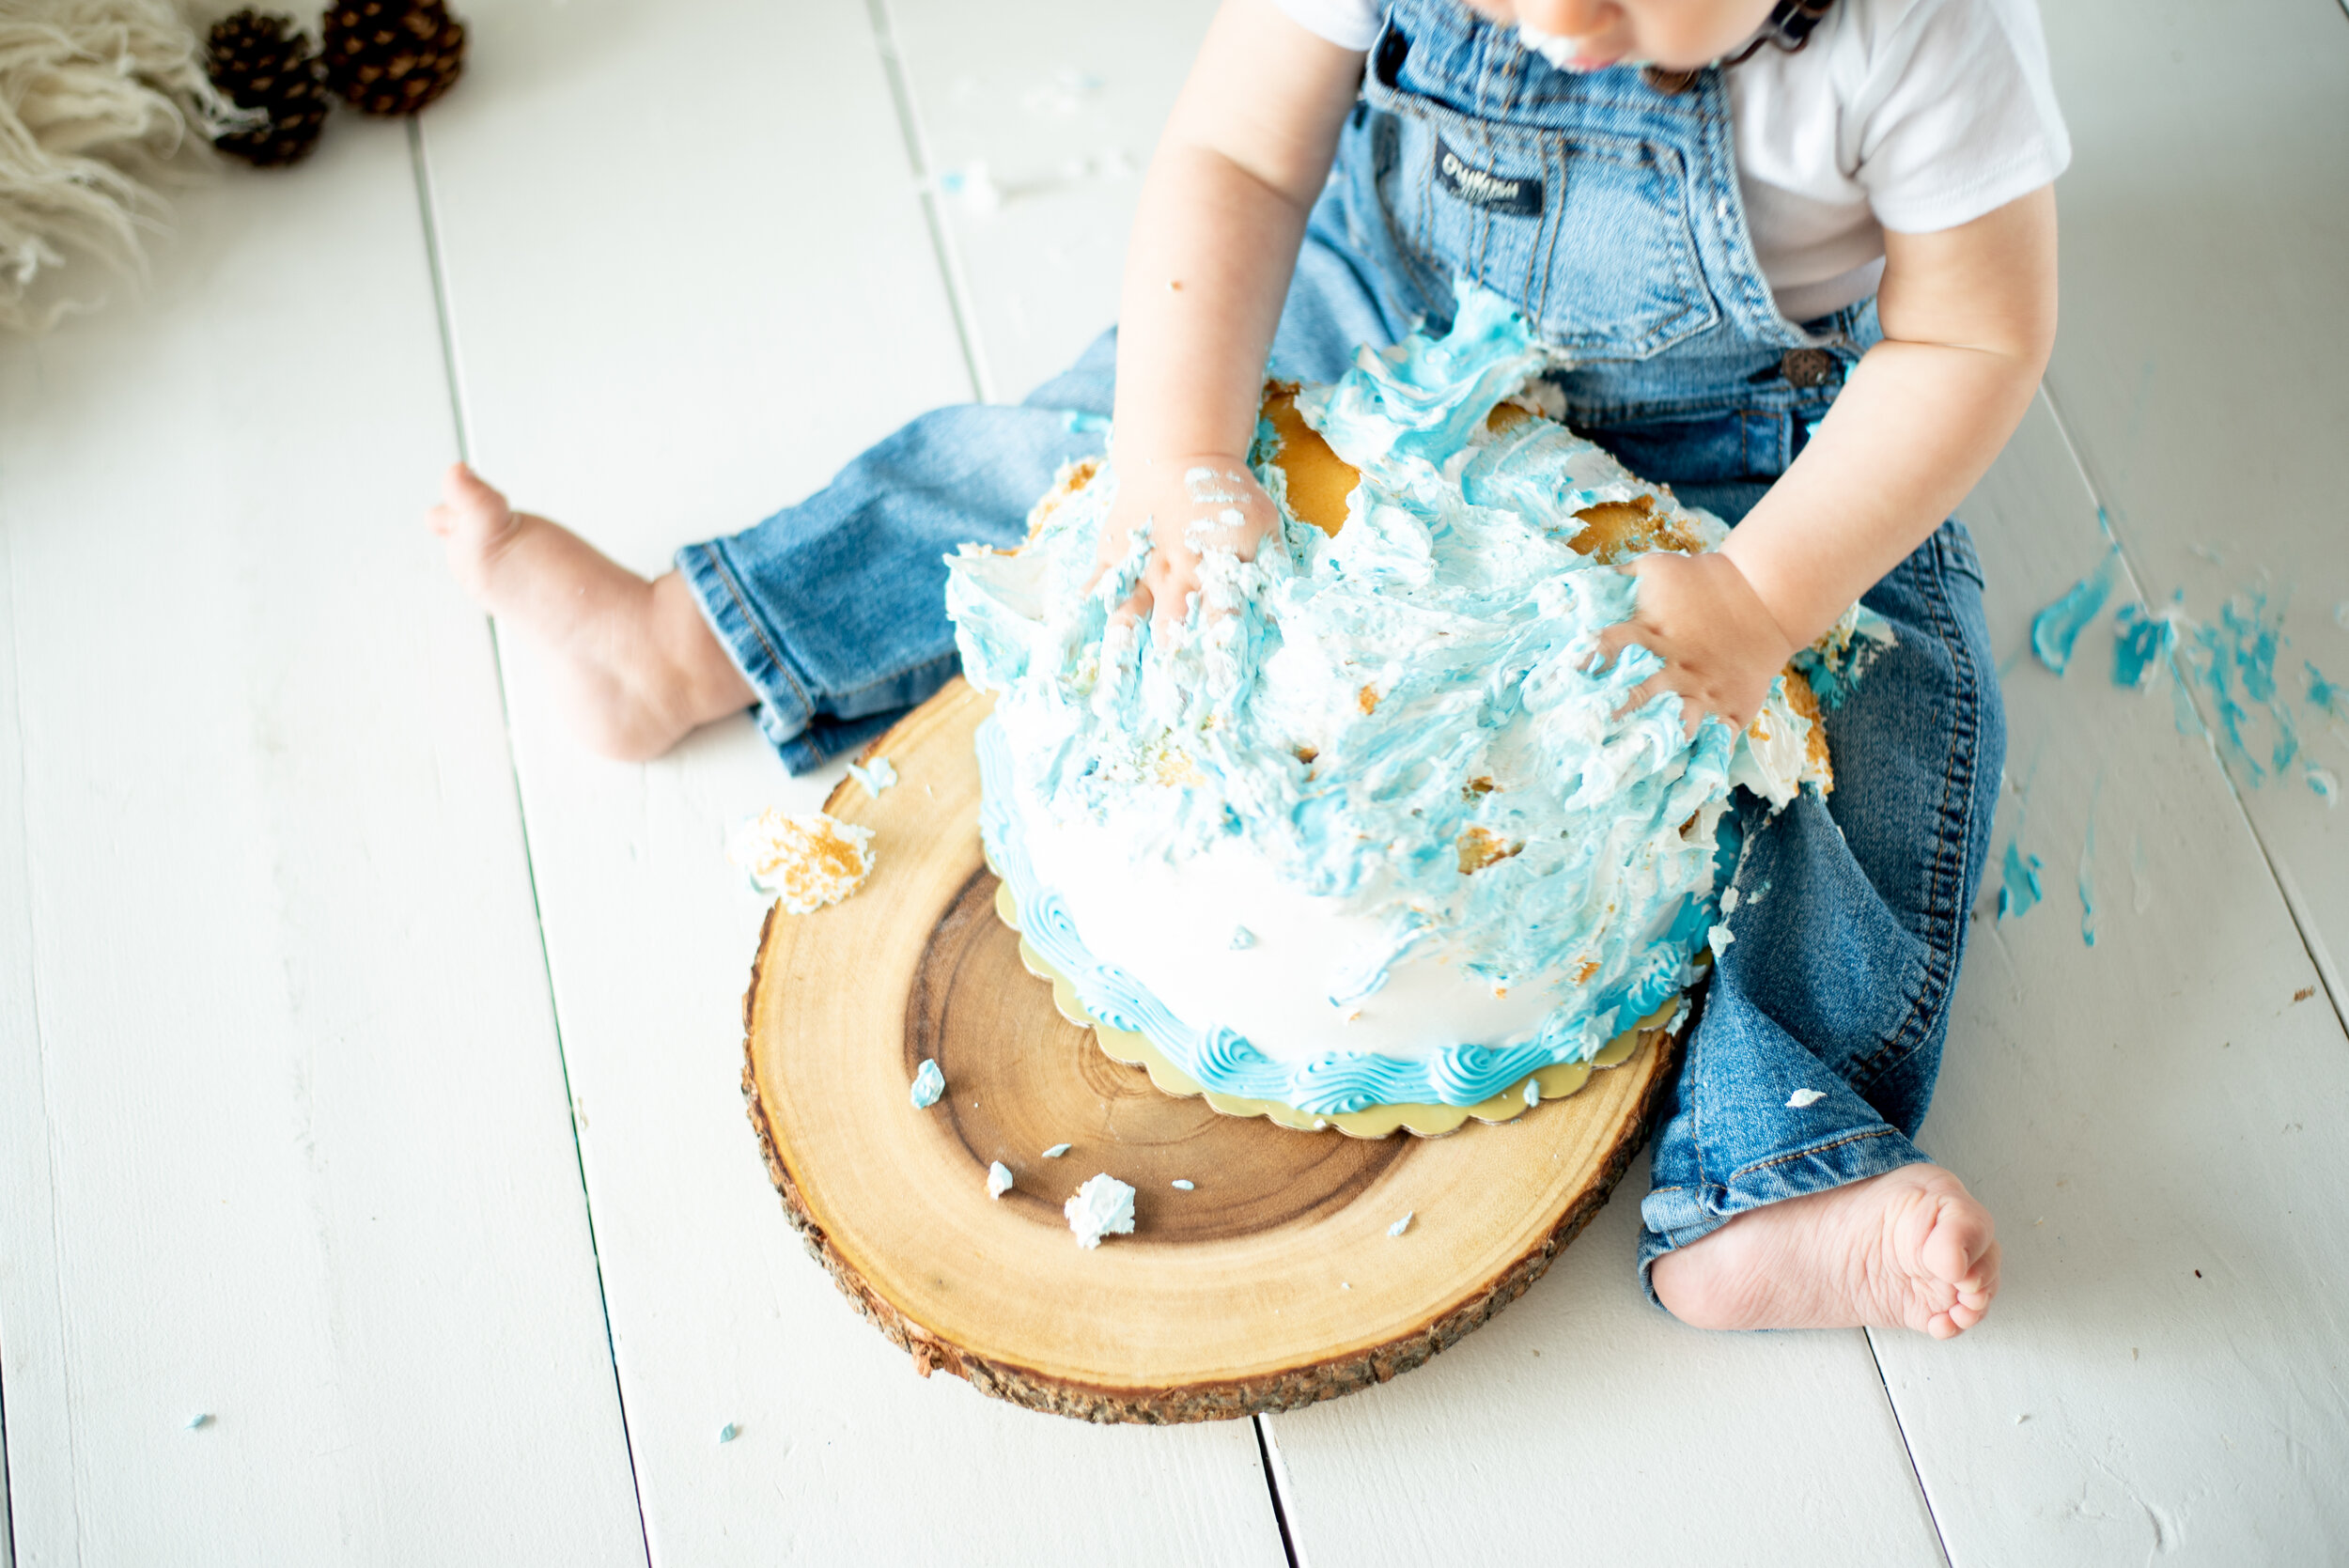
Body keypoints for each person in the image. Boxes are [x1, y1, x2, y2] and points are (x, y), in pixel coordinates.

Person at [428, 0, 2069, 1337]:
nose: (1566, 17)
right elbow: (1235, 155)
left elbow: (1971, 341)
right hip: (1380, 309)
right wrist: (1177, 455)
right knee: (1065, 442)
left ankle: (1781, 1157)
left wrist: (1769, 592)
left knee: (1893, 698)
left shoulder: (1931, 36)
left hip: (1748, 429)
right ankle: (698, 637)